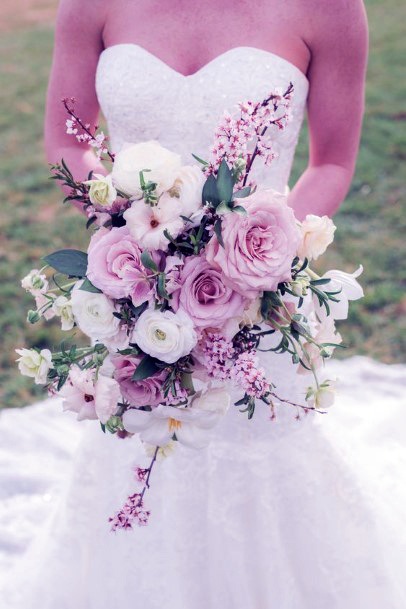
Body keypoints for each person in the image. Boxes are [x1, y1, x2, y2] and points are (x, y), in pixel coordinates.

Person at [2, 0, 406, 607]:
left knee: (258, 439)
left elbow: (332, 161)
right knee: (138, 433)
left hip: (255, 298)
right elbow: (66, 137)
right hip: (138, 286)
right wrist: (128, 223)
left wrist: (251, 253)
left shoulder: (330, 8)